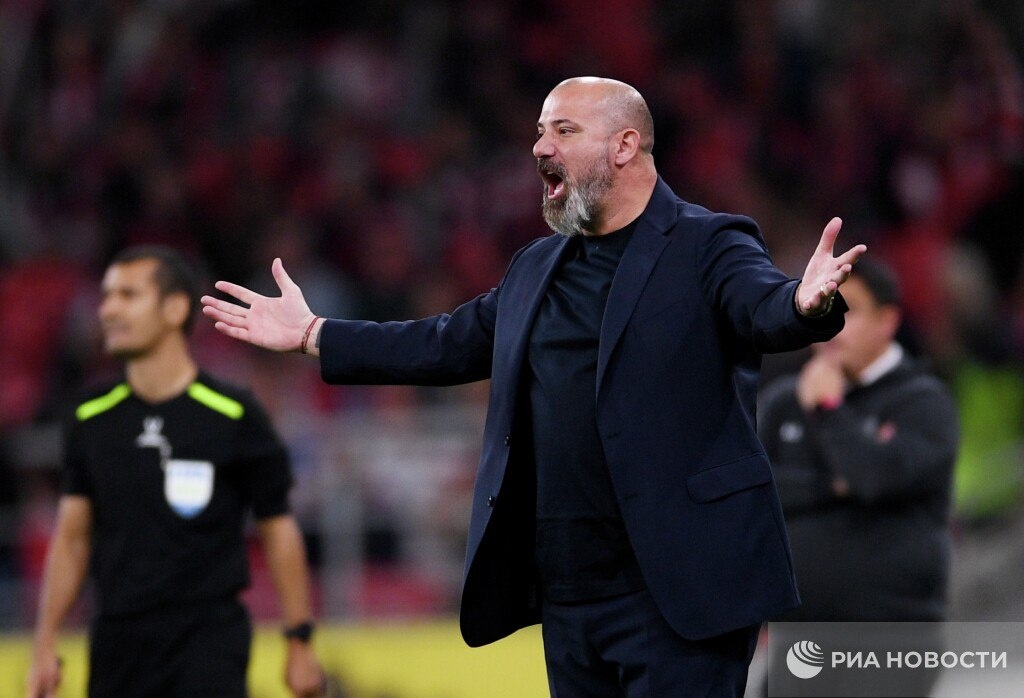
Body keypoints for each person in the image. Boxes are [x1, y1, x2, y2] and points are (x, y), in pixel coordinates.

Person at [202, 77, 866, 696]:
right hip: (569, 594)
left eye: (563, 131)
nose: (540, 147)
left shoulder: (708, 243)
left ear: (624, 145)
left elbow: (762, 306)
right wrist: (315, 333)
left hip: (679, 589)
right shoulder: (536, 266)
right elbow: (445, 342)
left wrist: (803, 304)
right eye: (540, 132)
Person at [26, 246, 325, 698]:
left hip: (208, 644)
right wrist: (45, 640)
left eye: (128, 295)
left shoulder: (234, 414)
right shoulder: (90, 417)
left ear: (174, 309)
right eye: (107, 296)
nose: (108, 310)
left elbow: (278, 528)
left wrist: (299, 639)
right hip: (116, 646)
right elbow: (72, 537)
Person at [757, 259, 958, 696]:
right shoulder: (781, 403)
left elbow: (873, 478)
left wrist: (829, 409)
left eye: (848, 311)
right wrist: (832, 486)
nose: (831, 326)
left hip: (888, 642)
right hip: (799, 644)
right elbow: (757, 499)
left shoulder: (923, 402)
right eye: (823, 309)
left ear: (887, 321)